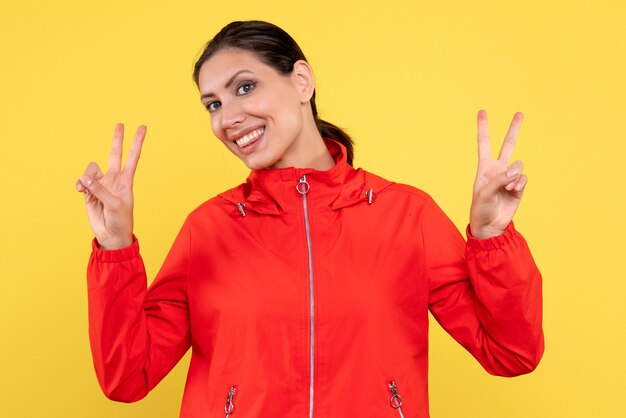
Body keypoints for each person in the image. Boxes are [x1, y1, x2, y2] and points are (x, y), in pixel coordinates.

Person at [76, 20, 543, 418]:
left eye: (244, 87)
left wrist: (492, 238)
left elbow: (512, 353)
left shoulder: (407, 215)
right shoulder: (209, 228)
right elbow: (126, 378)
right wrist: (115, 247)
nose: (228, 118)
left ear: (302, 81)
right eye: (213, 104)